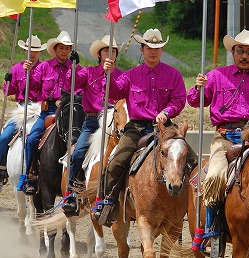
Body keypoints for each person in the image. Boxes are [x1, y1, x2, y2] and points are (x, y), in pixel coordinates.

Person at [92, 28, 196, 225]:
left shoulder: (173, 75)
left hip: (166, 128)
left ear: (162, 49)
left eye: (157, 47)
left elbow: (179, 99)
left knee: (193, 161)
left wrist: (166, 112)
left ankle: (192, 207)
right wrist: (108, 75)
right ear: (142, 49)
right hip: (137, 129)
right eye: (149, 47)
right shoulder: (131, 75)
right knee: (117, 160)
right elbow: (114, 92)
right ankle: (108, 202)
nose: (153, 51)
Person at [186, 29, 249, 246]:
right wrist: (197, 88)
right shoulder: (216, 76)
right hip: (224, 139)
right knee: (215, 175)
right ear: (233, 51)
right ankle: (211, 228)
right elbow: (194, 101)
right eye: (241, 51)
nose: (245, 56)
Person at [61, 35, 124, 216]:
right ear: (99, 54)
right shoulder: (88, 73)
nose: (110, 53)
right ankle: (71, 193)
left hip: (113, 121)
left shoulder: (122, 75)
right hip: (92, 121)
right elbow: (70, 84)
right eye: (106, 50)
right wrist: (72, 67)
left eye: (113, 51)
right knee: (79, 151)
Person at [23, 30, 79, 194]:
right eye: (61, 48)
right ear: (55, 49)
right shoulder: (43, 66)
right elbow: (32, 86)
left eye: (67, 48)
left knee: (81, 141)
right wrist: (28, 72)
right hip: (49, 111)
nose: (64, 51)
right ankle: (31, 173)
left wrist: (76, 68)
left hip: (69, 112)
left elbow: (83, 85)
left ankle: (79, 177)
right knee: (32, 138)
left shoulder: (75, 67)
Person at [0, 35, 46, 187]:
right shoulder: (16, 68)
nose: (32, 53)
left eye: (35, 51)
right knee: (4, 136)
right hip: (21, 108)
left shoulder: (45, 68)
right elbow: (8, 92)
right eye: (29, 50)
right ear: (25, 50)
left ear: (39, 52)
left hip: (39, 109)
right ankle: (1, 168)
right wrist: (7, 82)